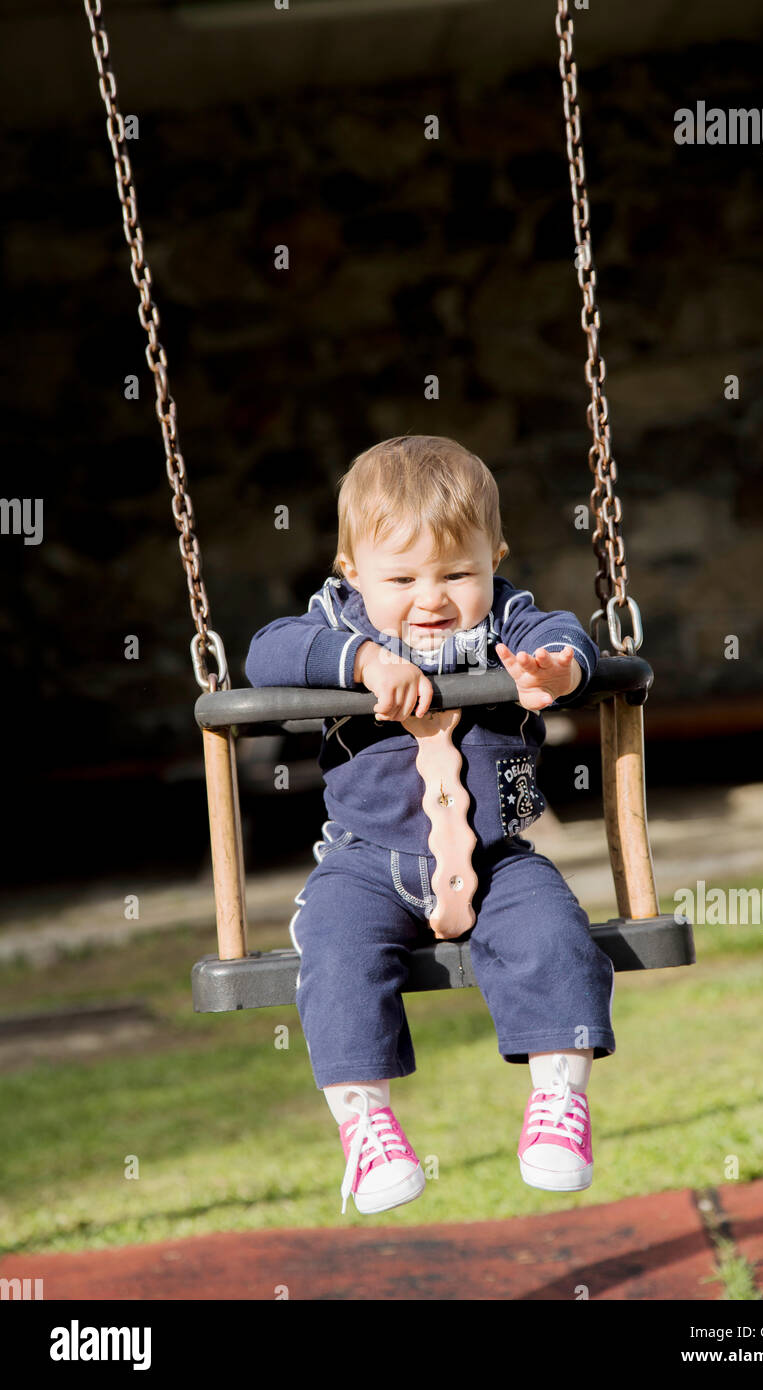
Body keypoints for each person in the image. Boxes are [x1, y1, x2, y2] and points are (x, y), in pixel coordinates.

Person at [245, 434, 616, 1215]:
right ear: (353, 574)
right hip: (365, 861)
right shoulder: (337, 623)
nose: (432, 598)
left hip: (501, 858)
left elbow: (567, 633)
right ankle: (367, 1125)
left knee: (556, 936)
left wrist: (560, 670)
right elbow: (266, 653)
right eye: (402, 577)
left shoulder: (510, 619)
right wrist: (363, 664)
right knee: (335, 953)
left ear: (495, 558)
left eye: (457, 573)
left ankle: (557, 1102)